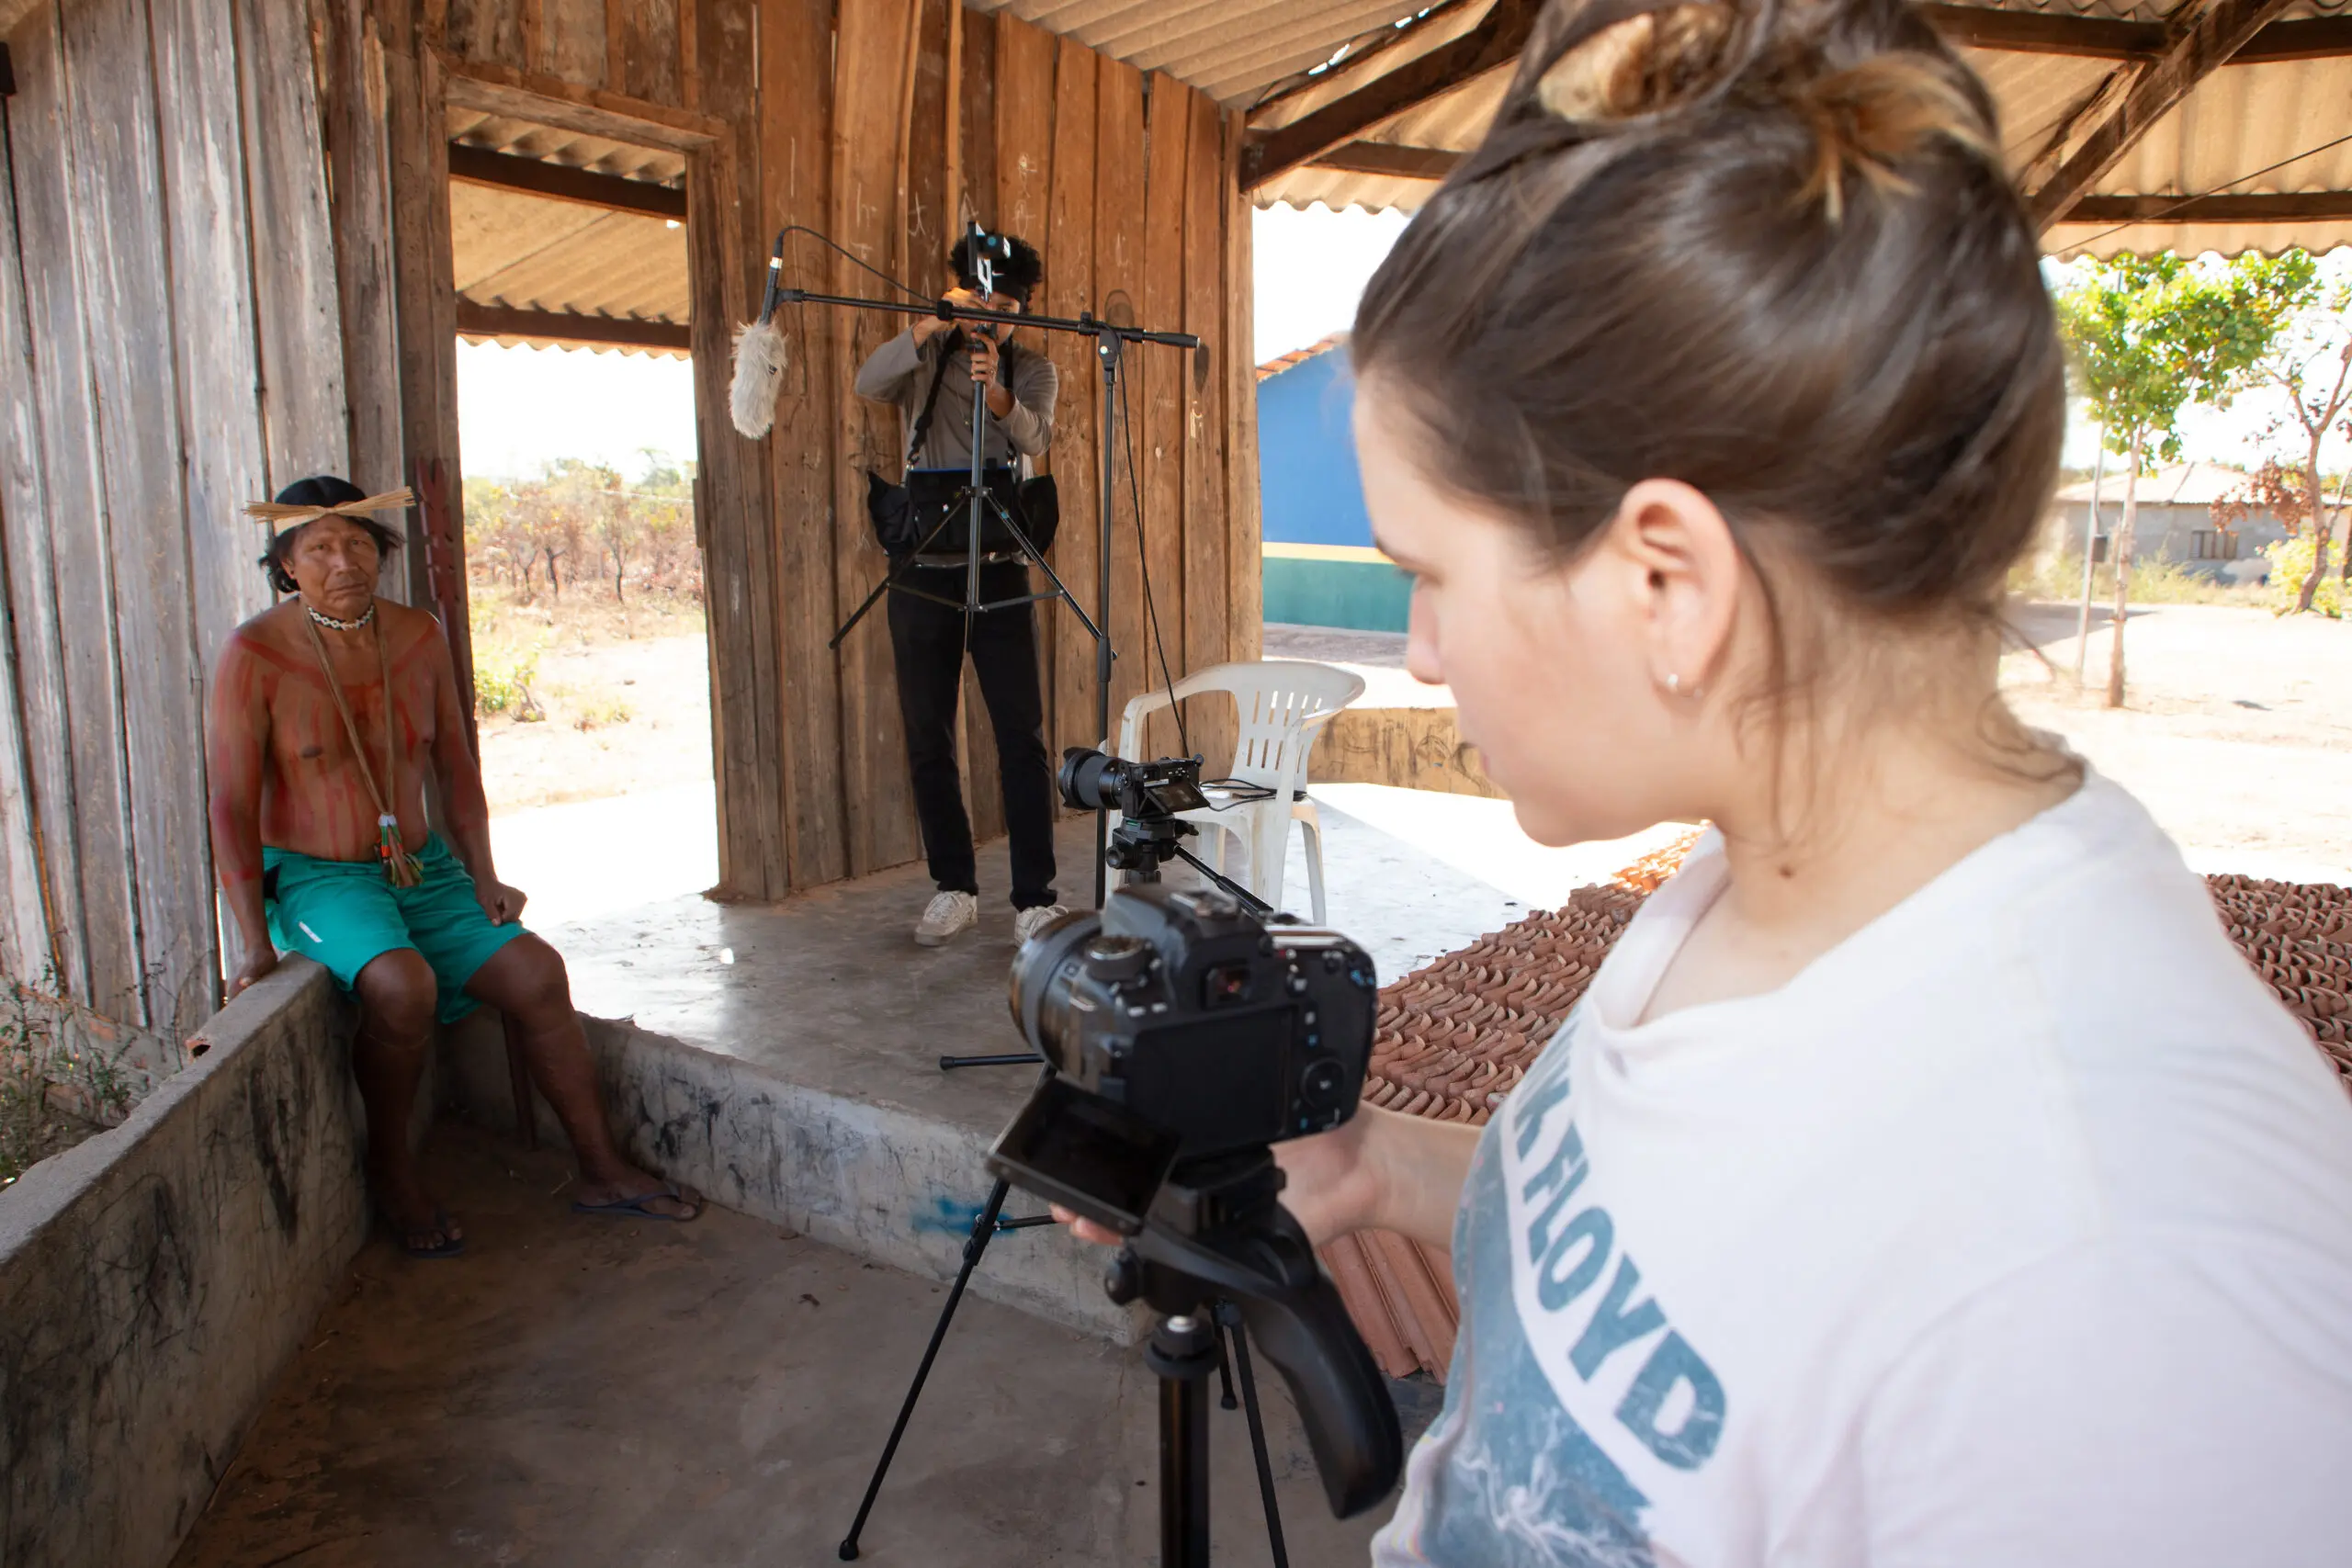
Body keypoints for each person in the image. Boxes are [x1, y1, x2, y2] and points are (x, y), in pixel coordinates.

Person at [1059, 1, 2352, 1562]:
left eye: (1431, 575)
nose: (1421, 656)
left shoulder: (2124, 1283)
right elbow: (1681, 1258)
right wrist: (1377, 1161)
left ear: (1668, 584)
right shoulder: (1770, 874)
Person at [205, 476, 701, 1258]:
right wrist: (252, 942)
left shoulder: (416, 636)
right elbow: (230, 805)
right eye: (320, 548)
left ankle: (602, 1170)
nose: (344, 561)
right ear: (288, 566)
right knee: (402, 986)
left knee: (538, 973)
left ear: (381, 551)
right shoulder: (255, 653)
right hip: (317, 877)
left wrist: (485, 874)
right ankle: (392, 1169)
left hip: (422, 867)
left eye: (359, 543)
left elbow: (456, 768)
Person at [854, 231, 1066, 948]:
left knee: (1021, 737)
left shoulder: (1032, 368)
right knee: (928, 734)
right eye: (982, 303)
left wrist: (997, 392)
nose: (991, 319)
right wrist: (926, 326)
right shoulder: (928, 355)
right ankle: (954, 887)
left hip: (999, 562)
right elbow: (868, 384)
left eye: (1006, 310)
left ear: (1021, 313)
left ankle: (1035, 898)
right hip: (923, 563)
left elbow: (1036, 438)